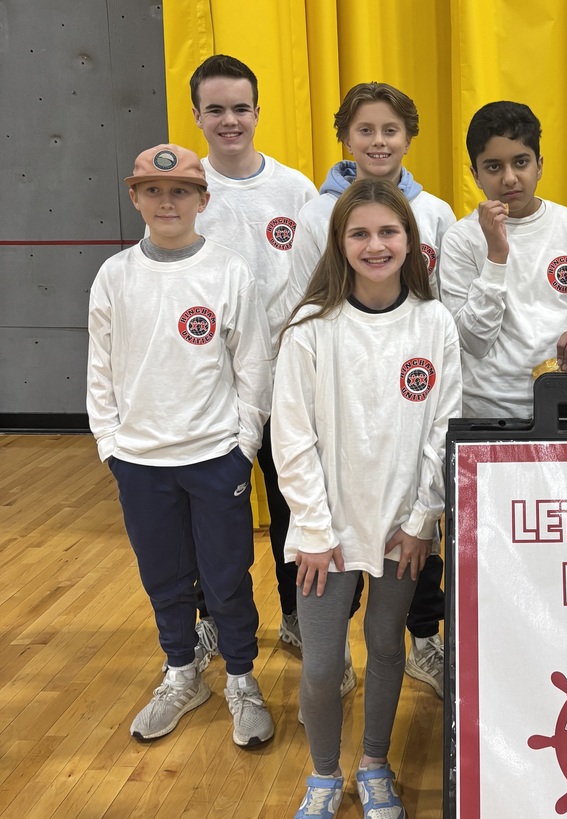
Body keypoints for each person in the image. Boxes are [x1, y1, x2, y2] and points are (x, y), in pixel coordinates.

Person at [274, 178, 461, 819]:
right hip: (325, 532)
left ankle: (375, 763)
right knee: (324, 664)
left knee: (387, 650)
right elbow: (292, 438)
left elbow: (444, 428)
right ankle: (324, 775)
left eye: (388, 232)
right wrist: (315, 529)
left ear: (411, 242)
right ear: (339, 243)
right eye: (360, 233)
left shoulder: (434, 323)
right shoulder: (311, 328)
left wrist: (421, 521)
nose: (375, 244)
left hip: (401, 530)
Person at [86, 144, 275, 746]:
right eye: (153, 191)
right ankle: (182, 673)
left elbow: (253, 364)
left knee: (226, 576)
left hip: (216, 456)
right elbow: (99, 369)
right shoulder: (115, 275)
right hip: (140, 462)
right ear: (136, 196)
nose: (167, 202)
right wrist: (109, 445)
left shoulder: (228, 270)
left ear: (202, 200)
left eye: (180, 192)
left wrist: (244, 442)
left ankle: (242, 679)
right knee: (163, 576)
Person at [289, 82, 455, 698]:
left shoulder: (436, 211)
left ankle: (421, 643)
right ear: (345, 137)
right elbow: (306, 294)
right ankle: (330, 662)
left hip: (407, 397)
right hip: (338, 396)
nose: (379, 141)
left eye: (391, 130)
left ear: (409, 138)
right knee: (329, 564)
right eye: (366, 130)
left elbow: (441, 303)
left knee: (409, 554)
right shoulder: (316, 213)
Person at [186, 54, 318, 664]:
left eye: (240, 108)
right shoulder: (189, 194)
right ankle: (214, 615)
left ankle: (296, 615)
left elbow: (320, 283)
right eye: (216, 109)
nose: (229, 120)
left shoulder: (296, 190)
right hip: (212, 387)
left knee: (292, 505)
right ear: (197, 116)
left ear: (259, 113)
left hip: (289, 380)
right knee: (216, 513)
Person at [437, 100, 567, 418]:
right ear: (475, 175)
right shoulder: (461, 239)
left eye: (520, 162)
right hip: (488, 408)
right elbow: (472, 341)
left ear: (539, 165)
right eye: (493, 167)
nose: (510, 178)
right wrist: (496, 256)